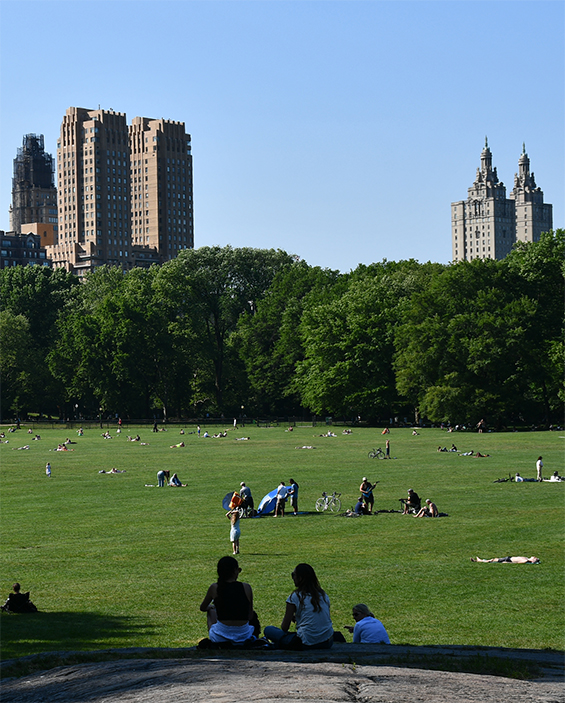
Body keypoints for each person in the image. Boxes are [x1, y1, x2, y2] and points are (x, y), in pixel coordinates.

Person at [264, 563, 333, 650]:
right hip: (327, 641)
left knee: (268, 630)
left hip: (306, 642)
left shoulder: (295, 596)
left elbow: (284, 627)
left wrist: (291, 618)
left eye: (293, 575)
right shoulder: (323, 595)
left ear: (300, 578)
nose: (293, 578)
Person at [199, 556, 256, 644]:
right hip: (244, 636)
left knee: (211, 611)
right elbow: (250, 615)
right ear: (235, 571)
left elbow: (203, 607)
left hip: (220, 637)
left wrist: (211, 607)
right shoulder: (246, 587)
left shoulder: (215, 587)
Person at [471, 556, 540, 564]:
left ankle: (479, 560)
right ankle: (480, 560)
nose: (534, 557)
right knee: (494, 559)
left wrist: (506, 562)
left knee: (493, 560)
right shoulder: (526, 558)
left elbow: (518, 562)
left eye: (535, 558)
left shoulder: (525, 560)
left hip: (508, 560)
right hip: (509, 558)